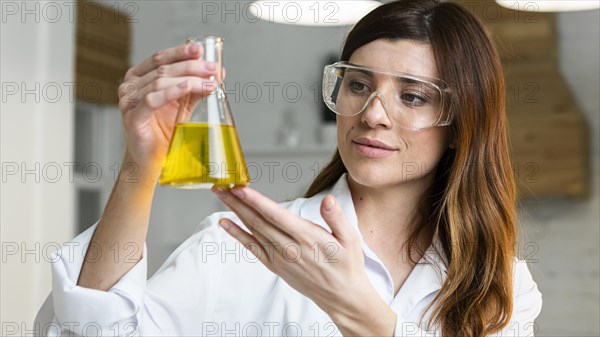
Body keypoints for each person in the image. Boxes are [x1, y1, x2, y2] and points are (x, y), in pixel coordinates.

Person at [50, 0, 542, 336]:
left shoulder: (501, 285)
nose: (372, 113)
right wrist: (140, 163)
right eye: (357, 85)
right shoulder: (241, 243)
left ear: (461, 123)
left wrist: (371, 322)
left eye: (411, 96)